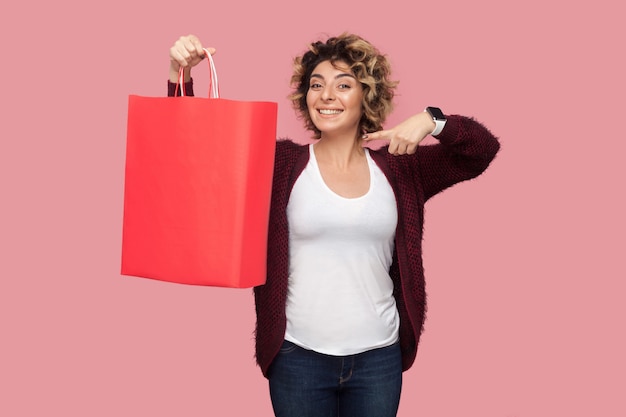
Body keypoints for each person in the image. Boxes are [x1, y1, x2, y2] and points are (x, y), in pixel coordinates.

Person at [167, 33, 500, 417]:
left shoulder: (401, 167)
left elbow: (481, 151)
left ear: (367, 97)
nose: (326, 95)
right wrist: (180, 74)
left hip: (379, 359)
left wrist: (433, 120)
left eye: (343, 85)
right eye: (316, 85)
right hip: (297, 357)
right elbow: (197, 152)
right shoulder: (278, 163)